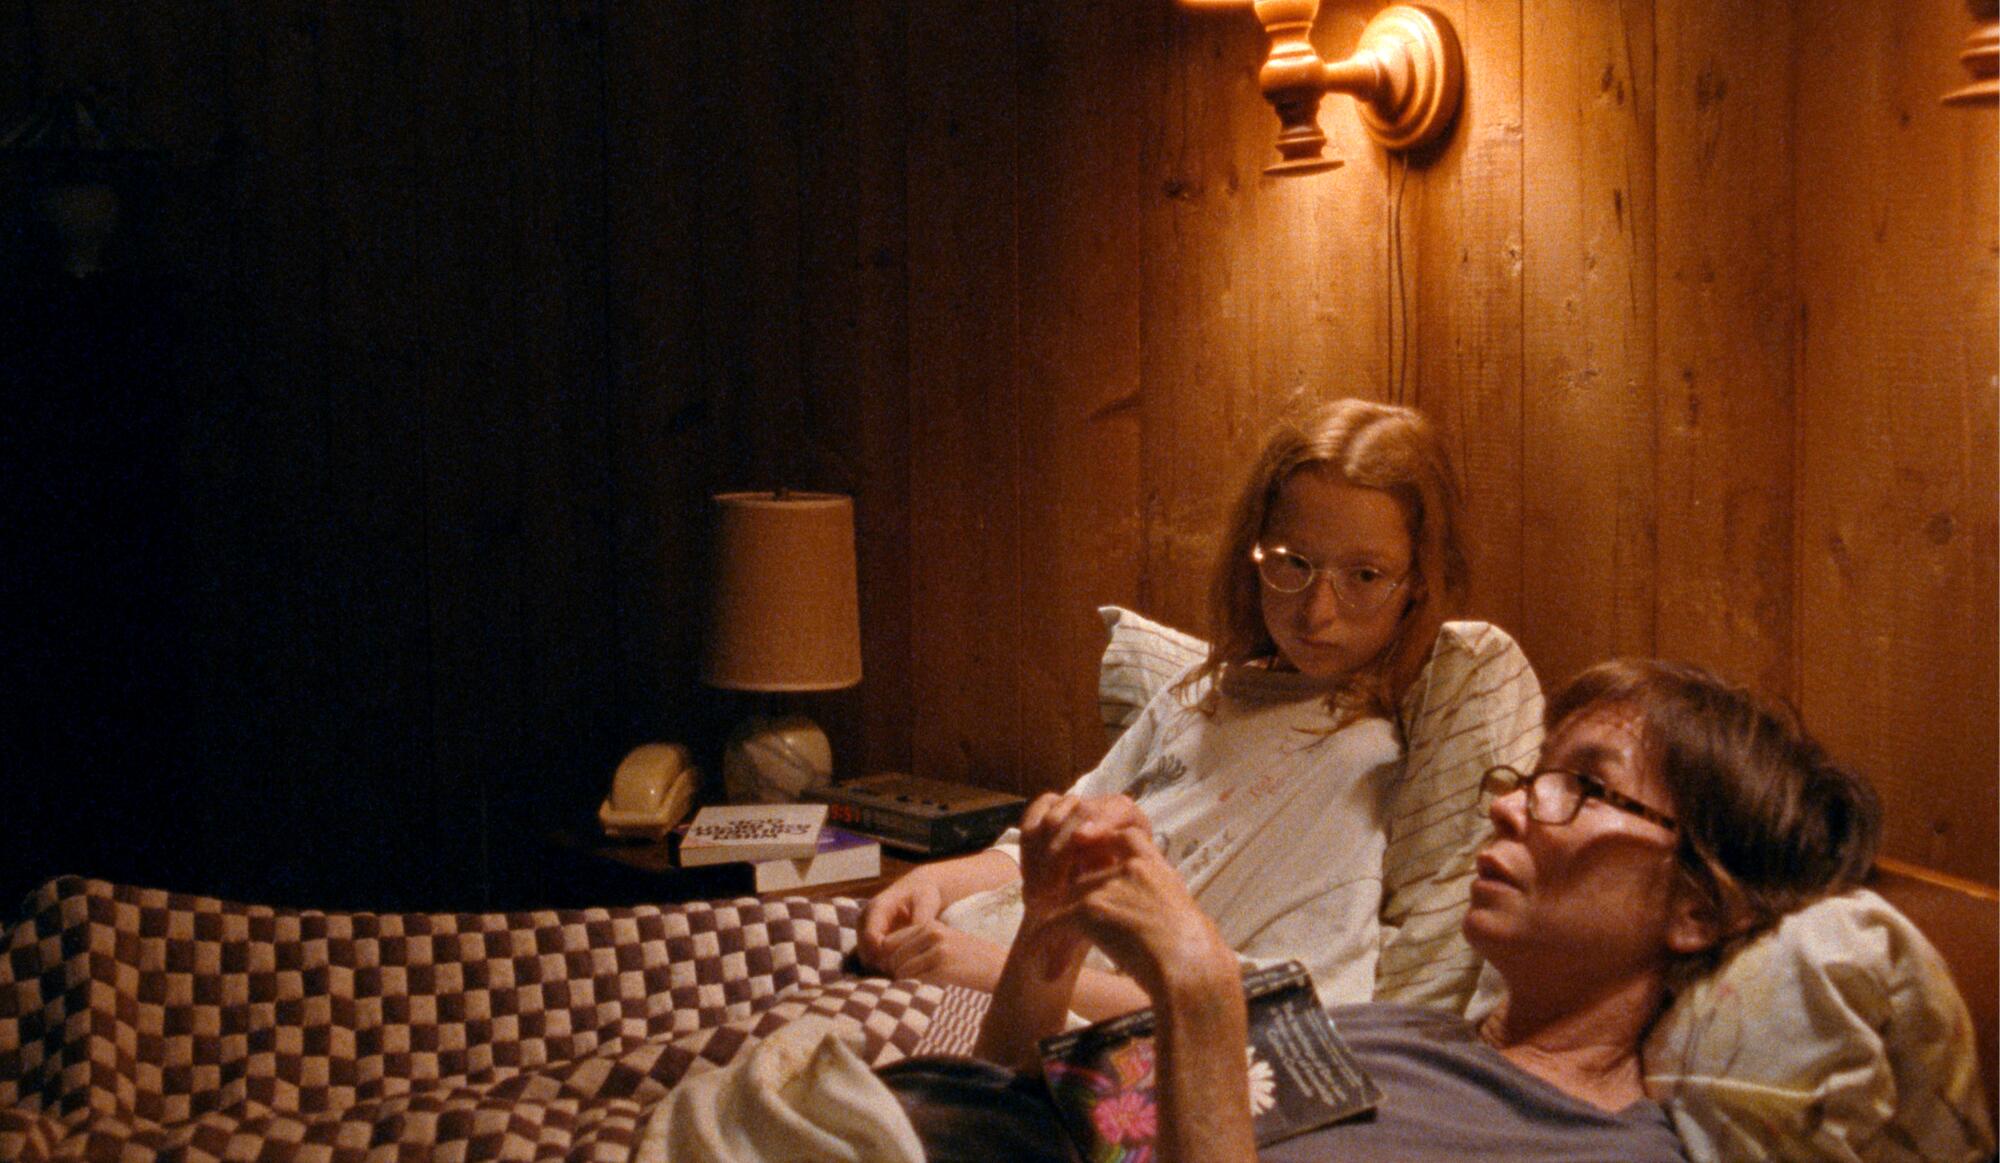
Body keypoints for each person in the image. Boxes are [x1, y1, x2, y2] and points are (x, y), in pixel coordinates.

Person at [876, 658, 1883, 1162]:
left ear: (1695, 911)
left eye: (1584, 787)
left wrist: (1197, 978)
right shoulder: (1388, 1031)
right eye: (1532, 771)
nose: (1508, 801)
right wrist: (1049, 939)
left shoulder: (1597, 1146)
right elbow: (1013, 1117)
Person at [859, 399, 1471, 1019]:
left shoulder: (1364, 760)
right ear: (1254, 552)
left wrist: (1002, 973)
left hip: (1034, 1012)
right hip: (956, 948)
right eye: (1293, 563)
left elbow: (1285, 1006)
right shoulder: (1198, 693)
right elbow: (1047, 848)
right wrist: (929, 882)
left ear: (1418, 581)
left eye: (1364, 576)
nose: (1317, 610)